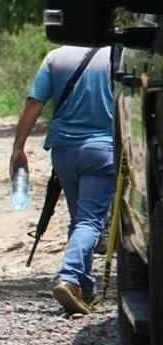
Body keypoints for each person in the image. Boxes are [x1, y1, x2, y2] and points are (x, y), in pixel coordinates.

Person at [9, 45, 113, 315]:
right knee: (90, 221)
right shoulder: (117, 55)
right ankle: (68, 276)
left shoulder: (55, 56)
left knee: (80, 220)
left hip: (64, 152)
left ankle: (84, 288)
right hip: (103, 150)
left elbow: (34, 102)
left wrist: (18, 148)